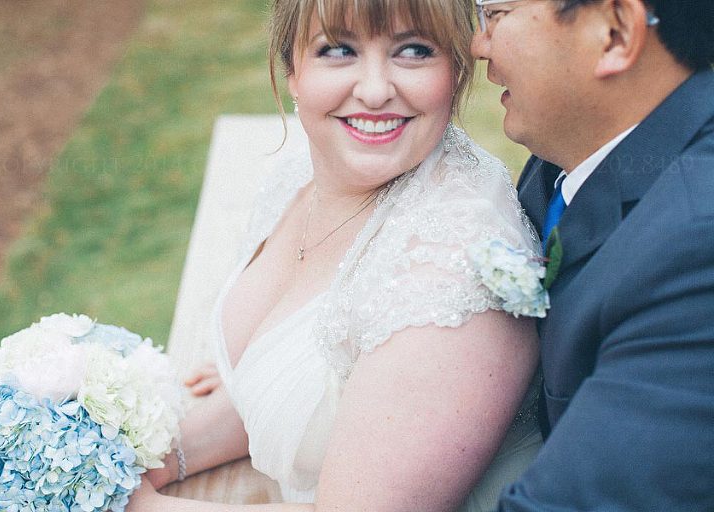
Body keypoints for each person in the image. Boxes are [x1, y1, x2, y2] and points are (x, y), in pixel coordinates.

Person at [125, 0, 544, 510]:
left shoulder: (455, 276)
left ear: (456, 71)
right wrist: (153, 457)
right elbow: (301, 392)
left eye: (414, 50)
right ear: (292, 70)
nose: (373, 90)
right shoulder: (302, 177)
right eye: (338, 49)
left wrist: (133, 505)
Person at [470, 0, 714, 509]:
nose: (477, 46)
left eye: (496, 13)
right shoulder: (565, 155)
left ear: (615, 33)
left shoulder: (696, 245)